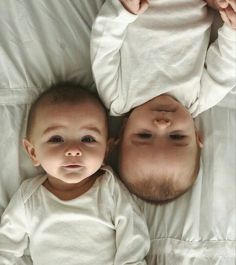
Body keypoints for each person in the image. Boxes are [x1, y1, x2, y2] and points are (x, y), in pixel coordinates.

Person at [90, 0, 236, 203]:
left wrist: (122, 10)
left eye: (144, 135)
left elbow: (103, 46)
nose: (162, 125)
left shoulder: (117, 97)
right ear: (196, 136)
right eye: (176, 136)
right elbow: (227, 65)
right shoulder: (198, 99)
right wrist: (232, 28)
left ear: (123, 131)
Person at [0, 82, 150, 264]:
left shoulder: (109, 189)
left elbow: (133, 235)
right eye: (56, 139)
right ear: (33, 152)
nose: (73, 150)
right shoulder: (29, 197)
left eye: (88, 139)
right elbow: (6, 246)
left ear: (106, 150)